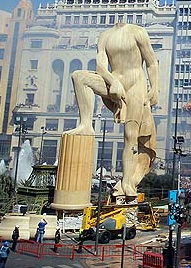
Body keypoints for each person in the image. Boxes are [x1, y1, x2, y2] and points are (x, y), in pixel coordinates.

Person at [66, 23, 159, 202]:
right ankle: (85, 124)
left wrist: (155, 88)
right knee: (79, 77)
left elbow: (152, 61)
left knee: (131, 136)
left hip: (135, 86)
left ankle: (128, 182)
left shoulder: (138, 31)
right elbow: (100, 66)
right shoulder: (105, 35)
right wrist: (112, 81)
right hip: (113, 82)